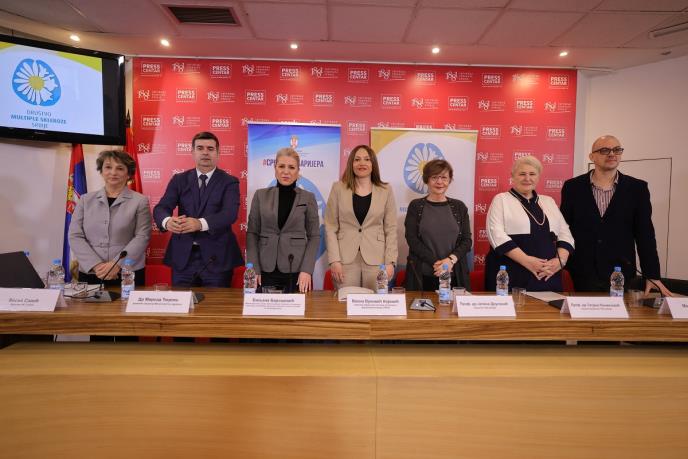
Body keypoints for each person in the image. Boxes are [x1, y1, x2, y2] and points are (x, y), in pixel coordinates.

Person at [560, 135, 672, 296]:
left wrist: (652, 274)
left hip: (620, 272)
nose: (612, 154)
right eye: (605, 150)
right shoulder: (572, 187)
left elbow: (645, 234)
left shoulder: (637, 188)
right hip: (581, 271)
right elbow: (564, 229)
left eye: (617, 150)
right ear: (592, 156)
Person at [153, 131, 242, 287]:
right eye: (200, 148)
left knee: (216, 303)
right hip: (183, 258)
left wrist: (200, 224)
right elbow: (161, 208)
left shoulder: (229, 182)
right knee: (181, 302)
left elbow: (229, 214)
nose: (205, 152)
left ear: (218, 153)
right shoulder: (179, 180)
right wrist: (167, 221)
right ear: (193, 152)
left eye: (210, 148)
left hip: (217, 257)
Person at [485, 155, 574, 291]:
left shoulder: (548, 201)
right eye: (522, 174)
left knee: (550, 305)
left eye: (532, 174)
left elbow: (565, 234)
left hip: (548, 274)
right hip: (511, 274)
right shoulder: (501, 199)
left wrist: (560, 261)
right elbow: (496, 235)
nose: (527, 178)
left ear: (538, 177)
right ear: (512, 176)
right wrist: (527, 261)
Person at [69, 150, 151, 286]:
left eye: (120, 168)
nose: (113, 172)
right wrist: (96, 265)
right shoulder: (85, 200)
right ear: (101, 171)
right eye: (108, 167)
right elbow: (75, 235)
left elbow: (142, 236)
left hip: (127, 271)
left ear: (128, 174)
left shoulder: (140, 201)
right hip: (91, 271)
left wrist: (117, 264)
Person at [246, 148, 320, 293]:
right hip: (264, 269)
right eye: (281, 166)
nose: (286, 171)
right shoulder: (260, 195)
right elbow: (252, 233)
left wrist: (307, 270)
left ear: (298, 171)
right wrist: (254, 268)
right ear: (275, 169)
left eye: (291, 167)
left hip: (296, 270)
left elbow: (314, 236)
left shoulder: (308, 197)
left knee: (297, 308)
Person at [324, 145, 397, 291]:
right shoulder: (338, 188)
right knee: (346, 302)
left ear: (373, 163)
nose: (362, 163)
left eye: (366, 159)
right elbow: (330, 227)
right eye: (357, 159)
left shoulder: (386, 190)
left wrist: (390, 262)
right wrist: (334, 260)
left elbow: (391, 228)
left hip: (377, 260)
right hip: (344, 260)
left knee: (376, 302)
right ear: (351, 163)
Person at [404, 159, 472, 291]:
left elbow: (467, 241)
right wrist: (438, 264)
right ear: (426, 180)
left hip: (455, 275)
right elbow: (412, 239)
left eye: (444, 177)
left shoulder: (459, 207)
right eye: (434, 177)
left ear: (449, 180)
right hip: (423, 276)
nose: (439, 182)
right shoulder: (415, 206)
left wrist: (450, 261)